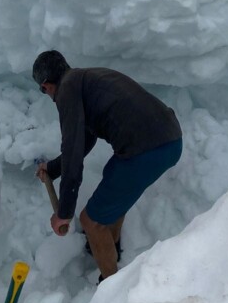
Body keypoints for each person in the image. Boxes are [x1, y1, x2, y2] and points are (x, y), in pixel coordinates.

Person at [33, 50, 182, 282]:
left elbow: (73, 151)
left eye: (43, 90)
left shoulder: (67, 90)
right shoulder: (84, 79)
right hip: (169, 139)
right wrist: (52, 169)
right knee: (112, 176)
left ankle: (110, 286)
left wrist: (64, 213)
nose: (47, 94)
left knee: (90, 221)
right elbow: (83, 142)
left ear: (46, 84)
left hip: (146, 150)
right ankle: (108, 245)